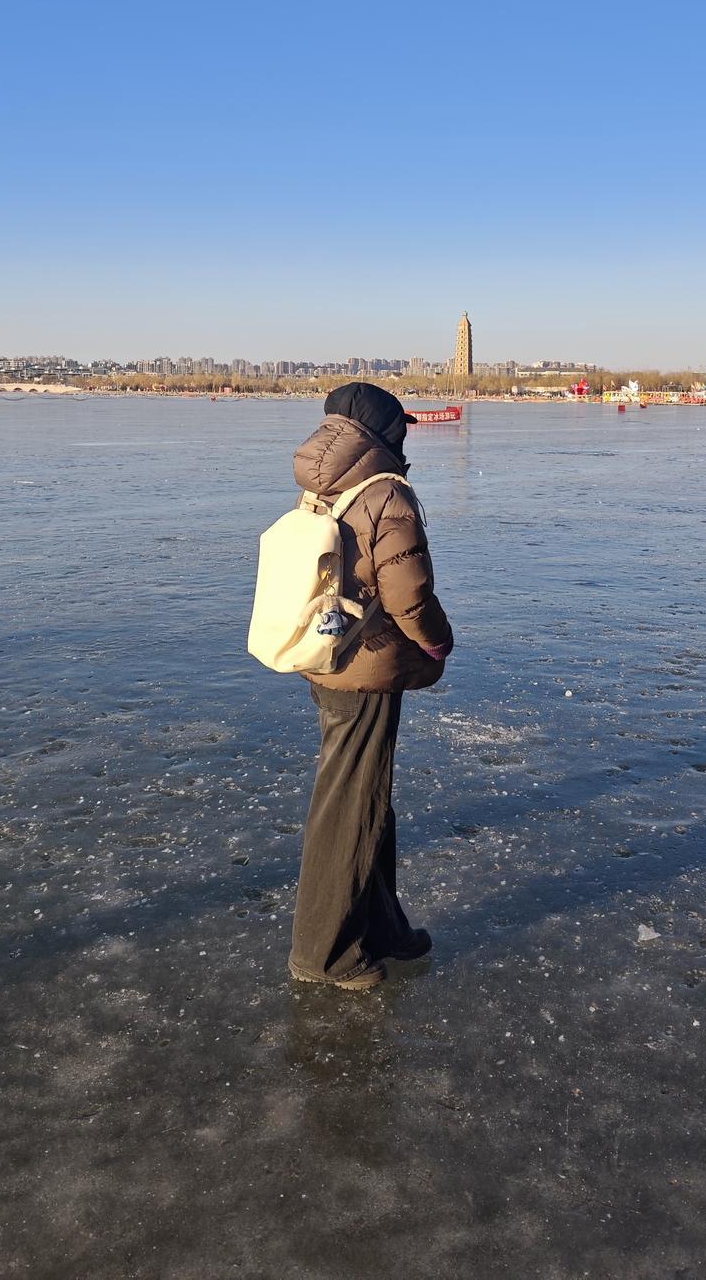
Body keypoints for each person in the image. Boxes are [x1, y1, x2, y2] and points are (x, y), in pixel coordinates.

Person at [286, 382, 454, 991]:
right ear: (388, 433)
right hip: (368, 666)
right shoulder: (385, 492)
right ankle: (323, 955)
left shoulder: (322, 487)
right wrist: (438, 642)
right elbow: (409, 593)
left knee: (367, 798)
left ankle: (382, 928)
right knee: (349, 806)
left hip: (331, 656)